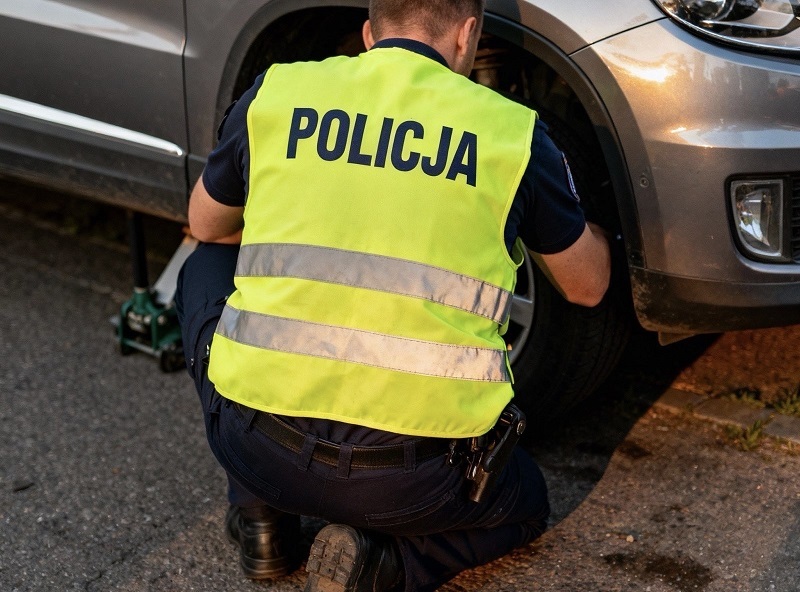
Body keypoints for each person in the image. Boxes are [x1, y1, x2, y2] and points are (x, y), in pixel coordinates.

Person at [175, 0, 611, 590]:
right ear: (466, 36)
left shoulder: (278, 92)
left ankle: (262, 522)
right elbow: (589, 288)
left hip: (258, 446)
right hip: (416, 480)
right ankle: (383, 566)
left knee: (203, 265)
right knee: (526, 501)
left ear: (367, 34)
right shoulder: (510, 133)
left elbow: (206, 223)